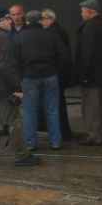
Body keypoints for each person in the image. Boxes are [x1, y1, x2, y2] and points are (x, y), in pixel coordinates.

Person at [0, 9, 39, 167]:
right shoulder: (2, 37)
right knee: (15, 119)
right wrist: (16, 87)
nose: (11, 21)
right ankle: (22, 155)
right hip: (0, 86)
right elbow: (7, 65)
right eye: (7, 19)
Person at [15, 10, 69, 151]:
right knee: (52, 110)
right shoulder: (51, 35)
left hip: (29, 77)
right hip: (50, 75)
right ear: (40, 21)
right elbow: (64, 56)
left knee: (29, 111)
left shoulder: (21, 37)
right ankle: (55, 142)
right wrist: (56, 71)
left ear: (27, 22)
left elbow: (15, 60)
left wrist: (21, 75)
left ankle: (30, 143)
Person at [76, 0, 102, 146]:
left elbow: (86, 53)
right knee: (101, 107)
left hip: (91, 76)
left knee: (90, 108)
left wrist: (83, 75)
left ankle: (93, 136)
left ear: (89, 11)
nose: (81, 14)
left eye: (82, 11)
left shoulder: (89, 28)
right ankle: (100, 134)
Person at [40, 9, 73, 139]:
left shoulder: (54, 33)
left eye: (43, 18)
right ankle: (62, 131)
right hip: (58, 74)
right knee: (57, 104)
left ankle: (63, 132)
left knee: (56, 105)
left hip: (57, 75)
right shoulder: (55, 31)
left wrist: (56, 73)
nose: (41, 21)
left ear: (51, 19)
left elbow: (62, 57)